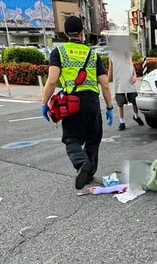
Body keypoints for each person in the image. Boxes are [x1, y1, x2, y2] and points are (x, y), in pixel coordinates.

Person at [41, 15, 115, 190]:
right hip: (92, 102)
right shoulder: (93, 54)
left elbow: (52, 81)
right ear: (82, 33)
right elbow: (105, 83)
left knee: (71, 139)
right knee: (93, 139)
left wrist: (44, 103)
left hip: (72, 103)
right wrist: (109, 107)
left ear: (66, 33)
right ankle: (88, 174)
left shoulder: (59, 52)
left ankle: (82, 163)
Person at [110, 44, 144, 131]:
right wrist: (106, 82)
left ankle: (136, 116)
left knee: (134, 101)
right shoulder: (112, 54)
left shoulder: (128, 53)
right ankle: (122, 122)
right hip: (119, 83)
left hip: (129, 82)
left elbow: (132, 66)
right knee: (120, 103)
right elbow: (110, 69)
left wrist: (135, 76)